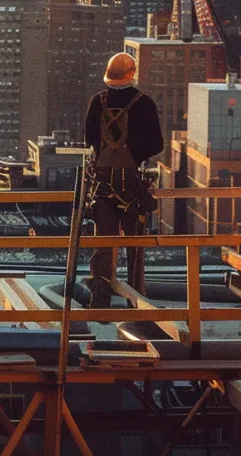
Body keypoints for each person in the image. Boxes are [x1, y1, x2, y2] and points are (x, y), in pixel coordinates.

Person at [82, 53, 163, 309]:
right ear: (132, 72)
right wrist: (136, 156)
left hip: (103, 184)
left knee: (104, 243)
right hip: (131, 186)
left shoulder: (98, 102)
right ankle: (136, 300)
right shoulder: (144, 103)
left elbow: (90, 138)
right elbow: (157, 144)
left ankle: (100, 298)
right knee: (135, 245)